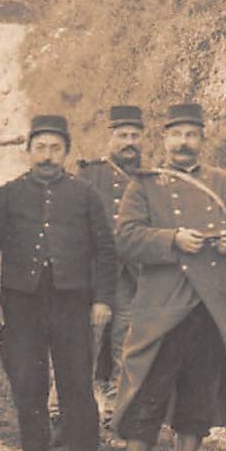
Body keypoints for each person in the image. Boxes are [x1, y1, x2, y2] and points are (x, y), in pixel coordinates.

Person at [108, 103, 226, 451]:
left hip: (210, 303)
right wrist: (172, 239)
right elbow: (125, 239)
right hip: (161, 304)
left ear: (203, 140)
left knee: (200, 387)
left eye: (192, 135)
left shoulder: (224, 183)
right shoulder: (144, 185)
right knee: (147, 386)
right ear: (164, 140)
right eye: (176, 135)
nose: (183, 143)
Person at [0, 115, 117, 451]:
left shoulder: (85, 195)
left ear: (67, 152)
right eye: (41, 148)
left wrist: (102, 298)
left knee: (77, 388)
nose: (48, 155)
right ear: (28, 151)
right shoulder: (8, 194)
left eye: (55, 148)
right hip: (21, 306)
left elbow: (106, 252)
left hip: (73, 304)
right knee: (28, 384)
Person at [75, 105, 146, 394]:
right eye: (122, 135)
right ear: (110, 138)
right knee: (86, 340)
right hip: (91, 276)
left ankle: (117, 410)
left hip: (132, 277)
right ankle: (67, 407)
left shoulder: (150, 177)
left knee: (126, 340)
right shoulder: (90, 175)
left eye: (135, 135)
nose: (129, 142)